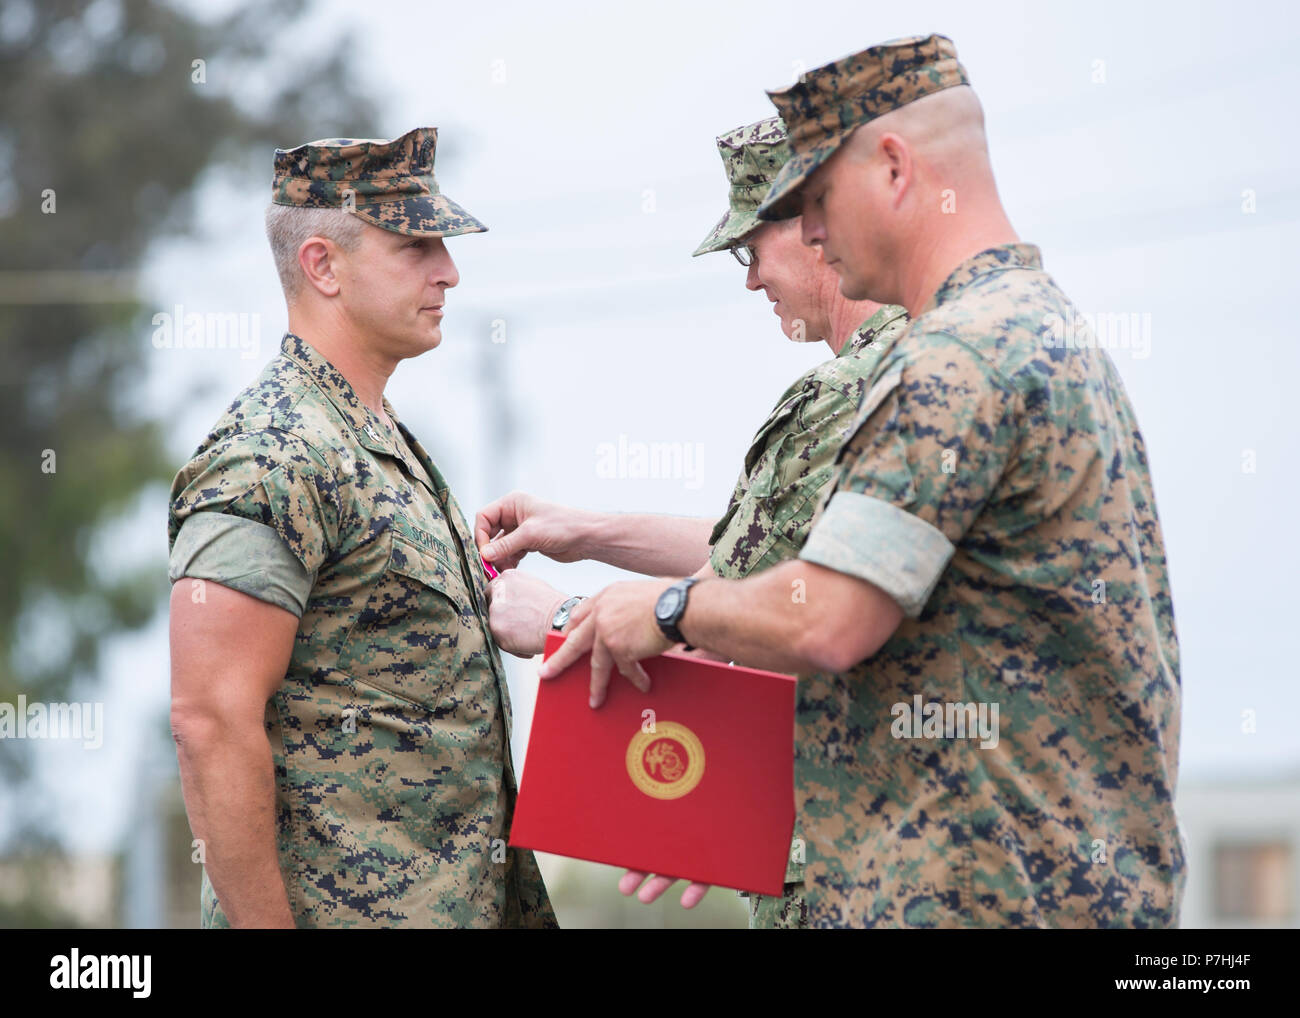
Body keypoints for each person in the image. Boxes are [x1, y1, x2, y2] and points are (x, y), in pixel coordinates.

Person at [539, 34, 1186, 928]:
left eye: (815, 199)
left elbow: (828, 617)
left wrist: (660, 611)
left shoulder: (958, 358)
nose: (806, 234)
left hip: (974, 896)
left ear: (892, 167)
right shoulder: (1033, 327)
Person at [478, 115, 908, 928]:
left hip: (850, 861)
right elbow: (756, 553)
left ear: (815, 227)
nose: (750, 282)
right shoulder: (916, 366)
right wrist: (585, 531)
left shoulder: (847, 393)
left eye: (752, 250)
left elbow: (741, 605)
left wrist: (560, 624)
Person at [166, 128, 556, 928]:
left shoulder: (378, 441)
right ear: (322, 265)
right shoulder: (270, 452)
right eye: (416, 246)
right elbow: (210, 717)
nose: (448, 270)